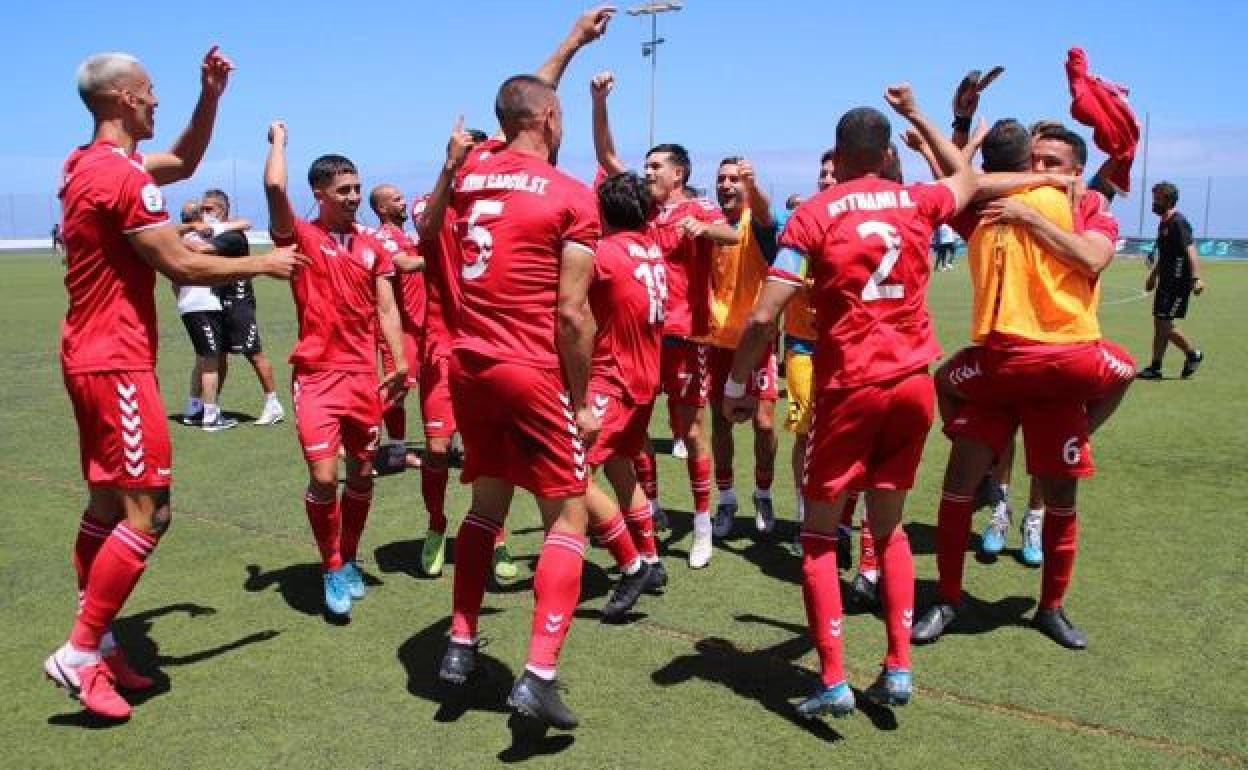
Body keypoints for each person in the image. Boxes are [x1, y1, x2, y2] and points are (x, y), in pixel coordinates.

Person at [47, 48, 300, 721]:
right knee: (149, 512)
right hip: (115, 362)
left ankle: (97, 641)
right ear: (126, 97)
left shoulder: (88, 164)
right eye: (152, 92)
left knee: (106, 507)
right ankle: (77, 652)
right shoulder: (123, 180)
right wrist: (269, 261)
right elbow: (180, 262)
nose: (158, 102)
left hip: (91, 355)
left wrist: (209, 95)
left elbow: (183, 162)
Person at [725, 84, 978, 717]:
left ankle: (834, 679)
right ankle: (897, 667)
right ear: (889, 151)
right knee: (888, 531)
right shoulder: (917, 201)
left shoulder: (815, 212)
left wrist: (737, 381)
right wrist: (921, 113)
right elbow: (966, 177)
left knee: (817, 538)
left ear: (836, 155)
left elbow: (764, 315)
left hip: (850, 390)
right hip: (914, 386)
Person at [912, 119, 1137, 650]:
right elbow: (957, 177)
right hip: (997, 362)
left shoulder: (1089, 208)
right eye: (1032, 160)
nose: (1037, 170)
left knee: (1062, 492)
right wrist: (952, 122)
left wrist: (1032, 216)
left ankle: (1051, 608)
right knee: (957, 483)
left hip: (1058, 364)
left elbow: (1093, 258)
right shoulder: (994, 203)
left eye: (1051, 164)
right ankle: (947, 597)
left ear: (1077, 172)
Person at [434, 75, 602, 732]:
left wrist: (569, 46)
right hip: (529, 368)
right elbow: (572, 312)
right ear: (553, 117)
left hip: (468, 366)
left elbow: (516, 101)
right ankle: (539, 675)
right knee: (567, 518)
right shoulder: (568, 193)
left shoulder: (473, 172)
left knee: (485, 506)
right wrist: (582, 399)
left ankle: (459, 640)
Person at [591, 70, 742, 569]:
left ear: (678, 173)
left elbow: (732, 236)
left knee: (692, 431)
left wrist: (705, 227)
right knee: (634, 432)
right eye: (647, 166)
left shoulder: (695, 207)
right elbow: (607, 159)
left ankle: (702, 525)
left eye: (656, 166)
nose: (648, 172)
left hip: (685, 337)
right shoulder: (642, 212)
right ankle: (651, 510)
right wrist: (600, 102)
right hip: (640, 342)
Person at [264, 121, 408, 618]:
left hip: (361, 377)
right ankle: (330, 563)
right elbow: (275, 187)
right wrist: (280, 142)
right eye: (343, 190)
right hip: (316, 376)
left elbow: (387, 309)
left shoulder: (373, 246)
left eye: (357, 189)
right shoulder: (301, 236)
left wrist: (398, 361)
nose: (353, 197)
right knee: (325, 478)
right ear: (319, 193)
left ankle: (347, 557)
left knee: (363, 473)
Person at [584, 170, 667, 622]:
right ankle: (652, 559)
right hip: (644, 378)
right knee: (621, 467)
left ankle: (629, 562)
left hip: (611, 379)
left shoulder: (604, 255)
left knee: (571, 473)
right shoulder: (651, 246)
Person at [200, 188, 286, 426]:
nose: (205, 214)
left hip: (239, 302)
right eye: (202, 209)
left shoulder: (232, 236)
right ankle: (213, 406)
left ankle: (273, 403)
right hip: (219, 301)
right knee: (220, 355)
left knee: (253, 353)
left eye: (209, 209)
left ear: (222, 210)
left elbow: (201, 250)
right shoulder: (218, 233)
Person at [368, 183, 425, 469]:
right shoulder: (385, 236)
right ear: (382, 208)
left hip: (416, 326)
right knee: (394, 390)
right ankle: (359, 445)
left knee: (401, 393)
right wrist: (442, 256)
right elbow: (403, 264)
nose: (404, 202)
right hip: (398, 328)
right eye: (397, 199)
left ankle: (398, 452)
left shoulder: (404, 235)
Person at [173, 200, 237, 431]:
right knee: (211, 361)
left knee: (202, 358)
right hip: (203, 305)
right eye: (204, 211)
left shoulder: (178, 241)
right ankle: (210, 415)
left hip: (191, 305)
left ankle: (193, 409)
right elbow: (241, 224)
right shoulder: (196, 239)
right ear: (197, 217)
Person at [1138, 181, 1205, 379]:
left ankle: (1168, 362)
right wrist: (1152, 276)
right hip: (1166, 283)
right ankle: (1168, 362)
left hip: (1178, 282)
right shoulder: (1164, 222)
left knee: (1164, 324)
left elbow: (1190, 250)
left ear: (1167, 200)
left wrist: (1196, 278)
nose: (1153, 203)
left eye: (1156, 199)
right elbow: (1165, 255)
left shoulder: (1178, 222)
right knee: (1161, 324)